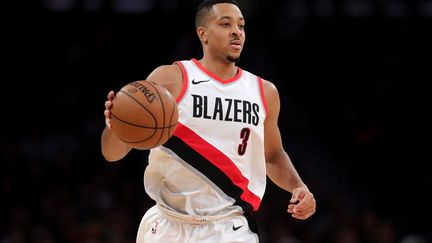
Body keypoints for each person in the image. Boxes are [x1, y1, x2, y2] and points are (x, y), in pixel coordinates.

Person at [101, 0, 316, 242]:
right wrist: (116, 125)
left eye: (241, 26)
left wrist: (299, 186)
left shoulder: (264, 92)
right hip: (168, 225)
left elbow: (273, 156)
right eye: (225, 24)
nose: (236, 31)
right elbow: (112, 153)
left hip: (230, 228)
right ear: (202, 33)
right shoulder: (172, 79)